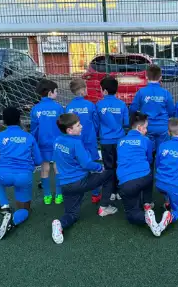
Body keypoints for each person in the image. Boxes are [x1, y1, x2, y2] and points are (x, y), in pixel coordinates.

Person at [51, 113, 113, 245]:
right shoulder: (76, 143)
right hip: (80, 182)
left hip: (65, 185)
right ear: (69, 130)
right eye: (78, 125)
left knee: (72, 215)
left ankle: (59, 224)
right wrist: (99, 167)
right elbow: (86, 164)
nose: (81, 127)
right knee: (109, 174)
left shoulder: (57, 141)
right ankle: (104, 207)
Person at [0, 107, 42, 241]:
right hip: (24, 177)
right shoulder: (29, 137)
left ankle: (5, 206)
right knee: (25, 210)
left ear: (4, 121)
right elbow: (38, 161)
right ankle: (13, 220)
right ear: (19, 120)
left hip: (3, 176)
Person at [117, 111, 160, 236]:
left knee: (131, 214)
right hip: (145, 178)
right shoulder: (146, 140)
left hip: (127, 183)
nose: (146, 130)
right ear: (140, 128)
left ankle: (145, 216)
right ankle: (147, 203)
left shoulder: (120, 141)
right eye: (146, 127)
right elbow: (149, 159)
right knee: (148, 172)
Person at [66, 78, 102, 204]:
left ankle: (77, 192)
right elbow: (96, 123)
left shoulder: (69, 107)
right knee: (93, 165)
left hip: (75, 142)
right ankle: (95, 194)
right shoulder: (90, 105)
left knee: (77, 165)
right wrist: (94, 133)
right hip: (90, 140)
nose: (87, 90)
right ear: (81, 90)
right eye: (85, 88)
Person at [96, 76, 130, 207]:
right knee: (120, 165)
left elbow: (96, 123)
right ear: (116, 91)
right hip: (120, 141)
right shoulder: (122, 104)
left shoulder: (99, 105)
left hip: (105, 142)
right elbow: (126, 123)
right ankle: (120, 191)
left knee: (109, 167)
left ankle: (110, 192)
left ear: (104, 91)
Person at [30, 79, 64, 205]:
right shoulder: (58, 108)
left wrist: (34, 144)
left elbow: (34, 129)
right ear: (50, 93)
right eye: (56, 91)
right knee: (57, 167)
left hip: (42, 144)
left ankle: (47, 196)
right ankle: (59, 195)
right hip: (57, 143)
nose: (57, 93)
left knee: (44, 168)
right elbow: (63, 126)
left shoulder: (35, 109)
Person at [129, 64, 175, 153]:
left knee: (147, 152)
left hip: (146, 127)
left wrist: (139, 117)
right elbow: (171, 111)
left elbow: (133, 109)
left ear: (146, 76)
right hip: (162, 127)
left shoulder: (141, 92)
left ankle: (149, 166)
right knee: (162, 152)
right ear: (160, 77)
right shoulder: (165, 93)